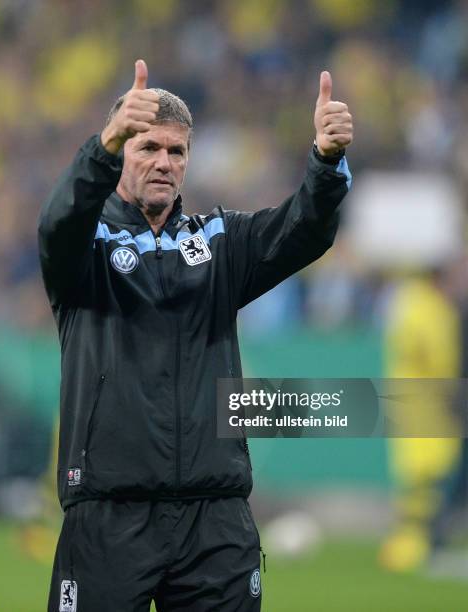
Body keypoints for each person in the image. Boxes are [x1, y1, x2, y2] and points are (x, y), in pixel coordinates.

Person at [38, 59, 353, 612]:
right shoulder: (87, 250)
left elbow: (303, 229)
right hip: (110, 517)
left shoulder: (219, 243)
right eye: (146, 148)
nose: (163, 162)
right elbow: (60, 222)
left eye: (176, 151)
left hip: (215, 523)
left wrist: (326, 163)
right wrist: (102, 144)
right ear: (119, 157)